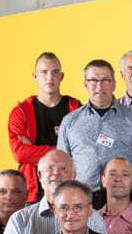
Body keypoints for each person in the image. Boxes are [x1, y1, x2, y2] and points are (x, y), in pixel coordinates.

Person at [57, 59, 132, 208]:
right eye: (93, 80)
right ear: (85, 85)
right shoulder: (70, 122)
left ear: (114, 84)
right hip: (82, 201)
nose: (99, 86)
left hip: (123, 200)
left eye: (105, 80)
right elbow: (62, 166)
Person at [8, 52, 81, 203]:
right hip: (32, 191)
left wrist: (33, 151)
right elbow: (20, 153)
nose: (50, 77)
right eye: (44, 72)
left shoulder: (75, 109)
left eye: (55, 72)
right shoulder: (21, 112)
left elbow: (81, 151)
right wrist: (63, 152)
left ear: (62, 76)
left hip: (69, 189)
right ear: (35, 76)